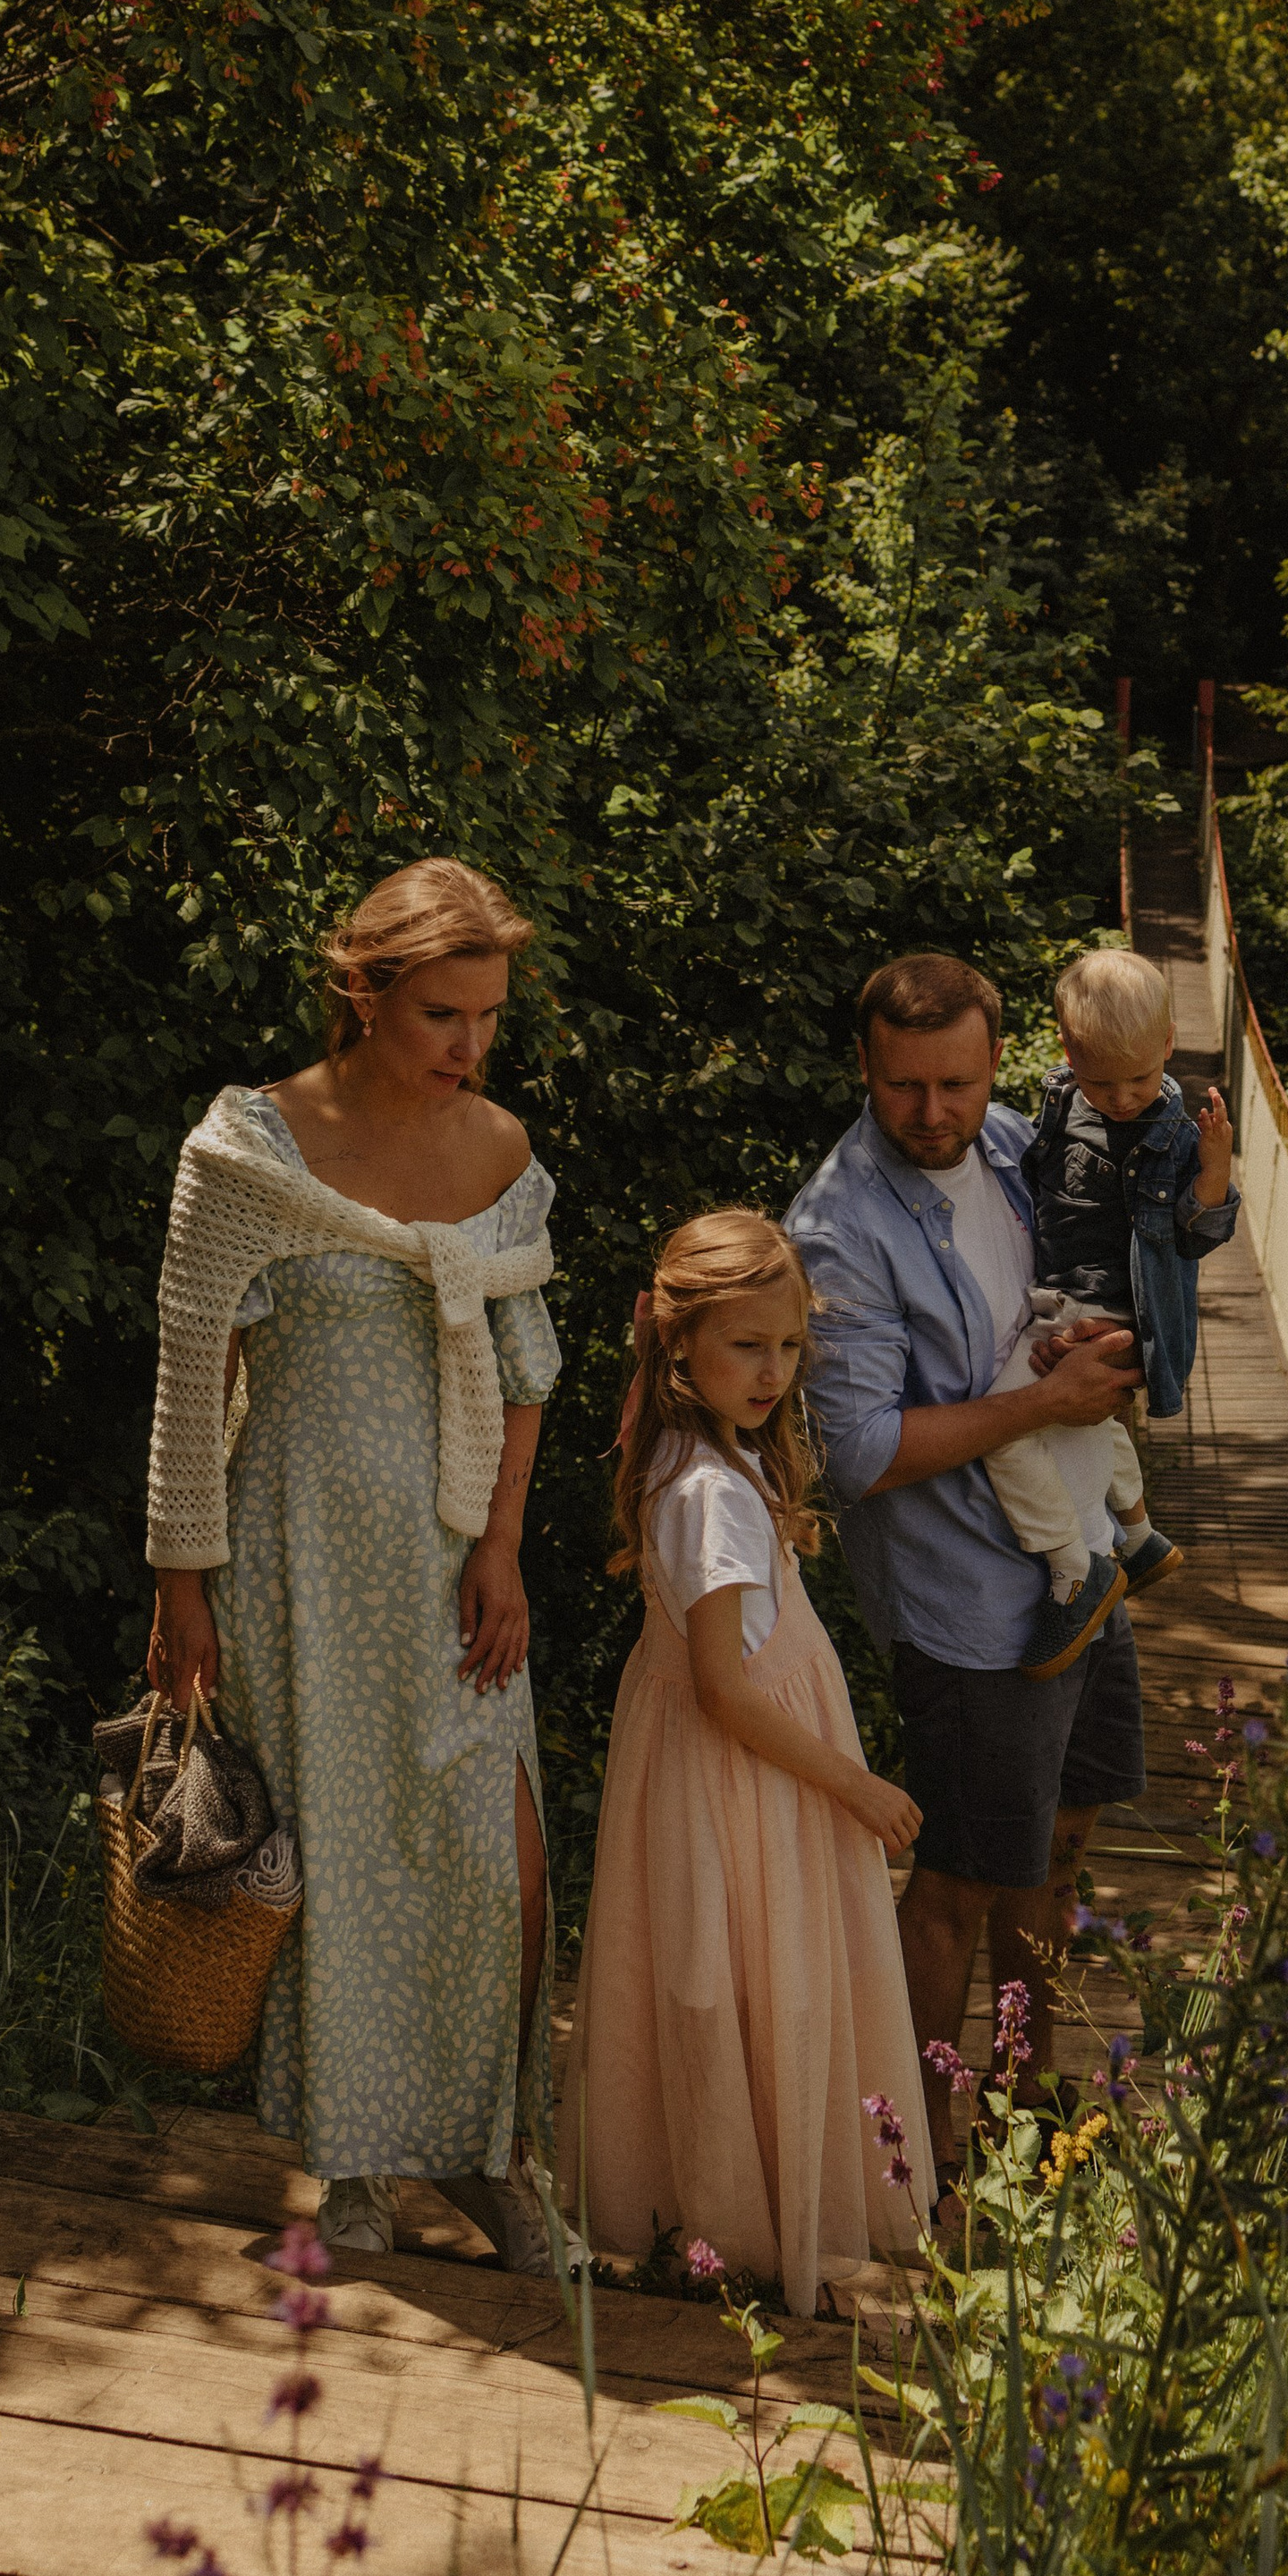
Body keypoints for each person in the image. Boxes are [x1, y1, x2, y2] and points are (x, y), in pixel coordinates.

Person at [143, 856, 566, 2274]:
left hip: (452, 1562)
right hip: (293, 1561)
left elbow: (526, 1366)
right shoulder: (247, 1152)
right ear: (366, 992)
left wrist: (504, 1544)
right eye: (445, 1013)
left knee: (496, 1864)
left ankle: (505, 2162)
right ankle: (360, 2168)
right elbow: (193, 1376)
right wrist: (180, 1585)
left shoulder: (500, 1153)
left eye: (491, 1016)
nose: (471, 1046)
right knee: (338, 1865)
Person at [783, 953, 1147, 2201]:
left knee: (1064, 1833)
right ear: (867, 1072)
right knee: (955, 1881)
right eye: (901, 1089)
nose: (930, 1114)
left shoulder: (1012, 1146)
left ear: (995, 1063)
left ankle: (1022, 2091)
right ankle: (915, 2153)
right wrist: (1048, 1397)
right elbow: (856, 1454)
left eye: (952, 1083)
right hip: (967, 1603)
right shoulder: (837, 1227)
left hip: (1077, 1558)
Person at [560, 1211, 930, 2316]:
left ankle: (734, 2215)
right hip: (749, 1786)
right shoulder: (710, 1494)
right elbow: (726, 1688)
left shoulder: (707, 1456)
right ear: (679, 1348)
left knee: (726, 1979)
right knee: (752, 1982)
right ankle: (747, 2227)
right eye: (746, 1347)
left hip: (733, 1776)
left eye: (788, 1345)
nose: (773, 1371)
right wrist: (854, 1784)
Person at [979, 945, 1238, 1661]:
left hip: (1121, 1309)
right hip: (1059, 1296)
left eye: (1141, 1078)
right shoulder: (1064, 1093)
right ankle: (1138, 1534)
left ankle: (1074, 1564)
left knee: (999, 1429)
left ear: (1168, 1044)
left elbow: (1202, 1232)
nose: (1123, 1098)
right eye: (1103, 1081)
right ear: (1067, 1052)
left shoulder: (1176, 1136)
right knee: (1087, 1418)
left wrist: (1215, 1169)